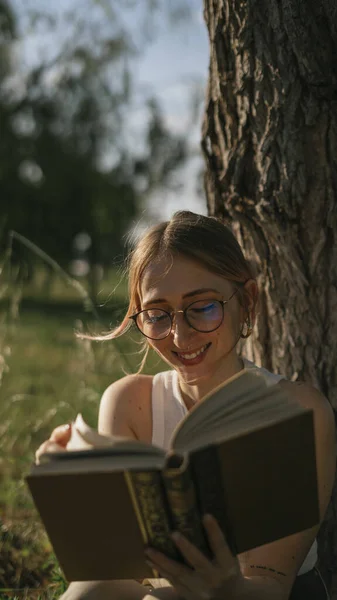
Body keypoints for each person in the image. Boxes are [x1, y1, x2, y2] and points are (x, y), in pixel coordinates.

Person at [36, 211, 335, 600]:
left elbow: (273, 585)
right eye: (158, 315)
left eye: (204, 307)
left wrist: (226, 585)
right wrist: (67, 494)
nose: (180, 335)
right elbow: (114, 571)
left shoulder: (299, 411)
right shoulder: (129, 403)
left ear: (246, 301)